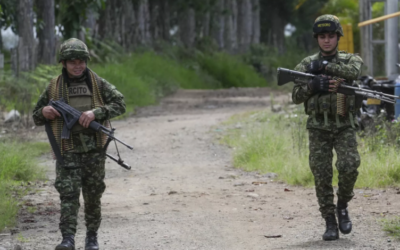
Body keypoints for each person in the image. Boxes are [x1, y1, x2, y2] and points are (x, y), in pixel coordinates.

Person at [32, 38, 126, 250]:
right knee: (68, 195)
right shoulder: (54, 87)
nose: (77, 66)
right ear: (63, 63)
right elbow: (36, 116)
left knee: (93, 194)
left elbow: (120, 103)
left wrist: (96, 113)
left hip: (94, 149)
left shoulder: (97, 83)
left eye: (81, 61)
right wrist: (44, 112)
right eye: (72, 61)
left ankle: (91, 238)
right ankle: (68, 239)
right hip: (67, 149)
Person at [292, 15, 363, 241]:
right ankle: (330, 221)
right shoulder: (305, 65)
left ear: (338, 37)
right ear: (316, 39)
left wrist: (324, 67)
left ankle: (342, 205)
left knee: (350, 166)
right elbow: (295, 96)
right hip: (318, 127)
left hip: (344, 124)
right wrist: (312, 85)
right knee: (321, 174)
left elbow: (354, 73)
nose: (326, 41)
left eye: (331, 36)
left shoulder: (350, 60)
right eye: (322, 37)